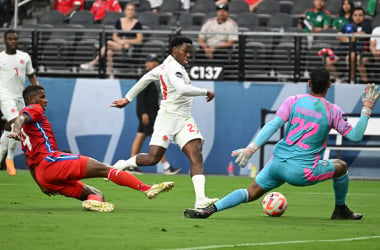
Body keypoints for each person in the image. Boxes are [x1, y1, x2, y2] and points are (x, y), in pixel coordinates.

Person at [184, 68, 380, 220]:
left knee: (250, 192)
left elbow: (273, 124)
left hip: (276, 163)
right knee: (342, 167)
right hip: (301, 172)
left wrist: (251, 148)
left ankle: (209, 210)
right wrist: (366, 110)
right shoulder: (332, 110)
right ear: (329, 86)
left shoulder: (293, 100)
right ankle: (340, 209)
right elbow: (355, 136)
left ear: (308, 83)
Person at [8, 85, 174, 212]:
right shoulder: (33, 109)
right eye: (42, 97)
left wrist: (41, 184)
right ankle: (147, 189)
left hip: (43, 176)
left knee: (96, 193)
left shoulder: (27, 128)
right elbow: (21, 117)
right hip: (51, 162)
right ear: (31, 100)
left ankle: (93, 202)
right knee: (104, 169)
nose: (46, 100)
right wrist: (15, 130)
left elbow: (29, 159)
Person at [111, 36, 219, 209]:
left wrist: (127, 98)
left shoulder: (168, 66)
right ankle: (123, 164)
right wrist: (206, 91)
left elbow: (145, 78)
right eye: (186, 51)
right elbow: (182, 89)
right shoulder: (172, 68)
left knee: (196, 154)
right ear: (174, 50)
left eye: (190, 52)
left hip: (184, 119)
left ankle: (200, 199)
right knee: (153, 158)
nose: (188, 55)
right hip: (167, 119)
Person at [126, 54, 181, 175]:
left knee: (141, 137)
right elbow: (140, 97)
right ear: (146, 64)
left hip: (153, 113)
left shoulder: (157, 77)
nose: (154, 63)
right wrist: (143, 113)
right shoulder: (145, 77)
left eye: (156, 61)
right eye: (151, 61)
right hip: (147, 114)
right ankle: (166, 167)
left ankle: (131, 165)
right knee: (156, 139)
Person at [0, 29, 40, 176]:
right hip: (4, 95)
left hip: (19, 96)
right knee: (15, 122)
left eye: (15, 39)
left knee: (8, 128)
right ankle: (9, 158)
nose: (13, 42)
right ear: (5, 41)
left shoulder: (24, 57)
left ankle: (1, 157)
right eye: (10, 39)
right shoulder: (1, 58)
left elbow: (31, 76)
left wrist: (38, 92)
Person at [80, 3, 142, 78]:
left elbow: (139, 40)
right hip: (118, 46)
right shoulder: (119, 21)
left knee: (108, 43)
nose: (130, 12)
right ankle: (111, 75)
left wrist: (126, 41)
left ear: (134, 12)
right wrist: (121, 42)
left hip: (128, 49)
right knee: (109, 52)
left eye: (132, 10)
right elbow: (114, 36)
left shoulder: (138, 24)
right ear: (125, 11)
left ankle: (93, 63)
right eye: (128, 10)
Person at [327, 7, 372, 84]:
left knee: (351, 57)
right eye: (355, 15)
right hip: (343, 51)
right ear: (352, 16)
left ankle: (352, 79)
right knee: (328, 60)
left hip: (360, 52)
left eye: (360, 15)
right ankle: (339, 78)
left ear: (363, 16)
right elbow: (338, 36)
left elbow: (363, 35)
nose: (358, 17)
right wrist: (350, 40)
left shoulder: (367, 26)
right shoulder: (346, 25)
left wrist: (350, 36)